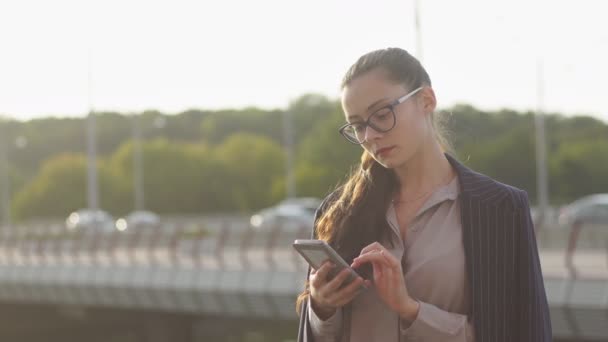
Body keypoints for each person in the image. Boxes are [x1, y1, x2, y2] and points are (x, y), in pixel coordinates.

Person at [296, 47, 552, 342]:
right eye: (357, 126)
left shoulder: (501, 207)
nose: (369, 135)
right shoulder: (339, 210)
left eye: (381, 114)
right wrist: (321, 307)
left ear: (426, 100)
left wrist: (411, 310)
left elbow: (522, 331)